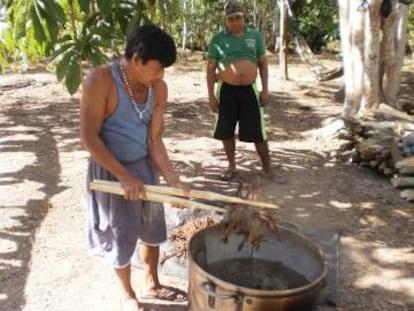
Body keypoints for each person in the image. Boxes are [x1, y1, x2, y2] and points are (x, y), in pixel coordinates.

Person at [80, 24, 187, 311]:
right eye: (156, 68)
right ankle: (128, 294)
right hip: (111, 174)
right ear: (136, 59)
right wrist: (124, 176)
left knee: (152, 228)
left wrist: (173, 181)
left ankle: (152, 282)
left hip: (144, 172)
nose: (160, 76)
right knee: (120, 233)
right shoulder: (100, 80)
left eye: (164, 70)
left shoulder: (158, 89)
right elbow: (89, 136)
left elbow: (154, 140)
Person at [207, 0, 272, 181]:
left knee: (258, 131)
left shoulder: (255, 36)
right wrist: (211, 96)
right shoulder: (218, 39)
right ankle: (232, 167)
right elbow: (210, 68)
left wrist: (265, 90)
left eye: (238, 18)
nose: (235, 22)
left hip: (249, 90)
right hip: (226, 90)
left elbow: (263, 65)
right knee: (226, 130)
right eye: (231, 19)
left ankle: (268, 168)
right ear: (226, 21)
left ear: (244, 17)